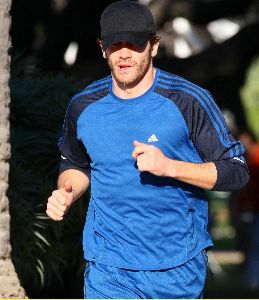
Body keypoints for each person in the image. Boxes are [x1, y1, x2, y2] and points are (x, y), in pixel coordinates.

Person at [46, 1, 249, 298]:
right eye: (116, 44)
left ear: (153, 46)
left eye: (135, 43)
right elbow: (76, 164)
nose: (125, 53)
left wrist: (170, 167)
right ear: (103, 48)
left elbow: (237, 170)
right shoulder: (83, 105)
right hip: (108, 268)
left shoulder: (188, 100)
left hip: (176, 268)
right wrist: (67, 192)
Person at [233, 130, 259, 289]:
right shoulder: (248, 159)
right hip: (250, 209)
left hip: (255, 208)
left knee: (255, 246)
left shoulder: (255, 158)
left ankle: (252, 280)